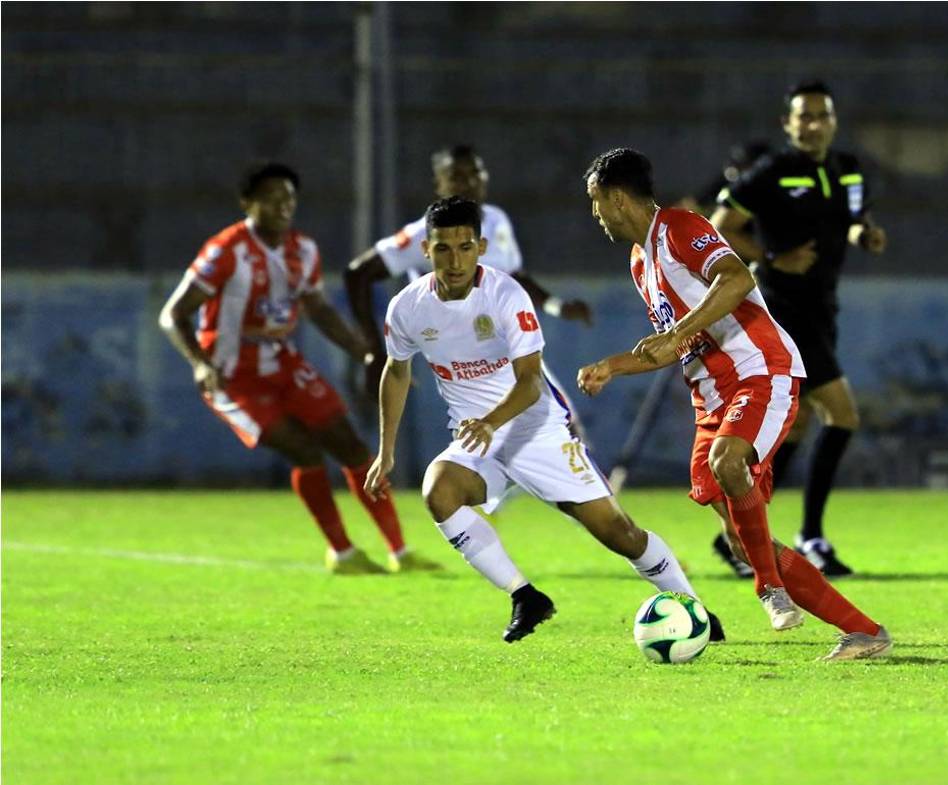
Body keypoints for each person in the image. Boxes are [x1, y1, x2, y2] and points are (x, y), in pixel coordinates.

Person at [364, 196, 723, 644]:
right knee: (439, 491)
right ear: (425, 250)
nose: (454, 260)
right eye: (442, 249)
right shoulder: (407, 307)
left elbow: (531, 382)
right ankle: (525, 596)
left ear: (479, 247)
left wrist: (491, 423)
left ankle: (695, 610)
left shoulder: (505, 296)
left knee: (618, 532)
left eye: (464, 247)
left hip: (535, 430)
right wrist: (386, 452)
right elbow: (396, 372)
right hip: (479, 438)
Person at [577, 148, 889, 660]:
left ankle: (768, 587)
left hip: (759, 371)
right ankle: (865, 633)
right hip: (713, 398)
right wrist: (613, 365)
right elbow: (675, 343)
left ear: (616, 198)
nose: (596, 216)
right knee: (744, 539)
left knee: (729, 463)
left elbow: (737, 279)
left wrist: (677, 331)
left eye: (596, 204)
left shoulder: (679, 225)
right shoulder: (640, 262)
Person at [158, 161, 437, 575]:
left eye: (288, 198)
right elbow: (173, 314)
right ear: (247, 203)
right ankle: (342, 552)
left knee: (352, 446)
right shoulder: (226, 251)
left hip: (283, 364)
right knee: (303, 450)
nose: (282, 206)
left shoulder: (302, 250)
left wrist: (364, 351)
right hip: (232, 376)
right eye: (270, 199)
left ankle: (400, 551)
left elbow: (318, 309)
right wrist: (199, 363)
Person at [710, 80, 888, 578]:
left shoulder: (847, 169)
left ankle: (740, 533)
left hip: (823, 309)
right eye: (802, 116)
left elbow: (853, 218)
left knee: (797, 427)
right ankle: (810, 535)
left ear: (833, 121)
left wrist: (864, 234)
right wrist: (772, 258)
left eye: (820, 116)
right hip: (784, 311)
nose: (812, 124)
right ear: (787, 124)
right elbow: (720, 225)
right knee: (842, 414)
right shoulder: (773, 173)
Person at [345, 144, 593, 406]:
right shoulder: (425, 234)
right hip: (468, 356)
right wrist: (375, 351)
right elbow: (358, 274)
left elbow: (515, 277)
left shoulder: (496, 220)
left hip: (507, 344)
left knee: (559, 422)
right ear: (439, 185)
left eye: (476, 172)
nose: (469, 182)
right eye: (457, 176)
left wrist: (558, 306)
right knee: (542, 423)